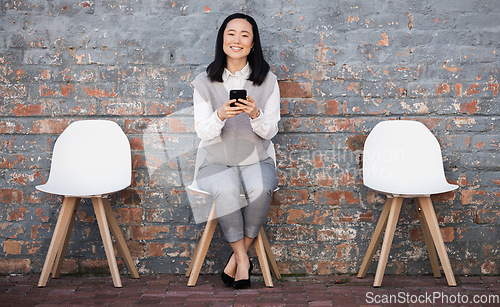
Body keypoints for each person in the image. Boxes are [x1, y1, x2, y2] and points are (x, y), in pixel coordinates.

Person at [191, 13, 280, 289]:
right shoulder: (204, 82)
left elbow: (271, 131)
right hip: (214, 161)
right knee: (227, 188)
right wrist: (219, 115)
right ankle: (243, 260)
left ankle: (235, 261)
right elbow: (202, 132)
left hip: (257, 158)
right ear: (222, 40)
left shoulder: (268, 81)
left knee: (262, 187)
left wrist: (255, 113)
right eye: (231, 33)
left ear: (253, 44)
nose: (237, 40)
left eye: (245, 34)